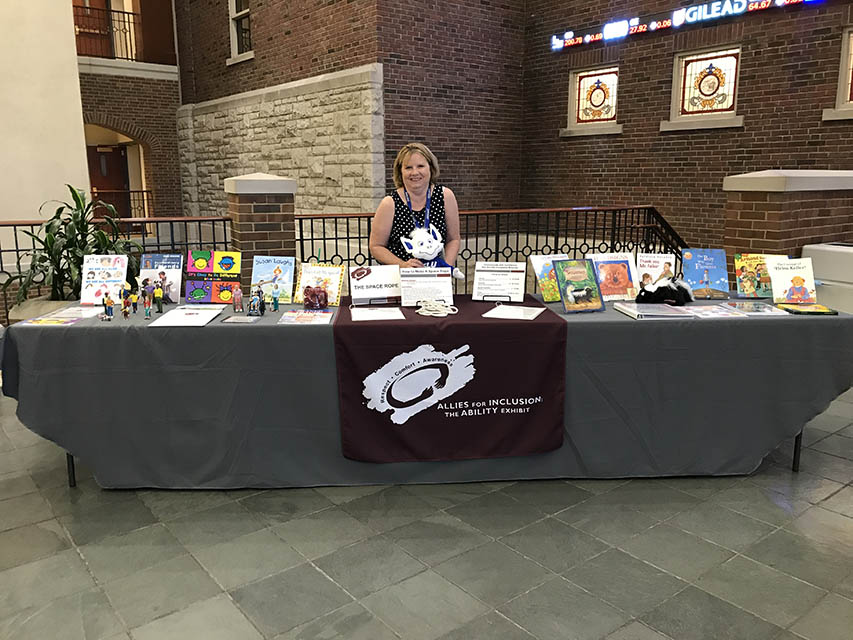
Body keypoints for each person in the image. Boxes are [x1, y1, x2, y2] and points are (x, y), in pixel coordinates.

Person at [369, 142, 461, 269]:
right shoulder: (389, 203)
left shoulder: (446, 196)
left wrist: (446, 268)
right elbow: (376, 246)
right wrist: (402, 265)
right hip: (402, 278)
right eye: (408, 168)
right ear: (400, 171)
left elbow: (453, 239)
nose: (415, 172)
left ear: (431, 168)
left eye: (420, 166)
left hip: (436, 277)